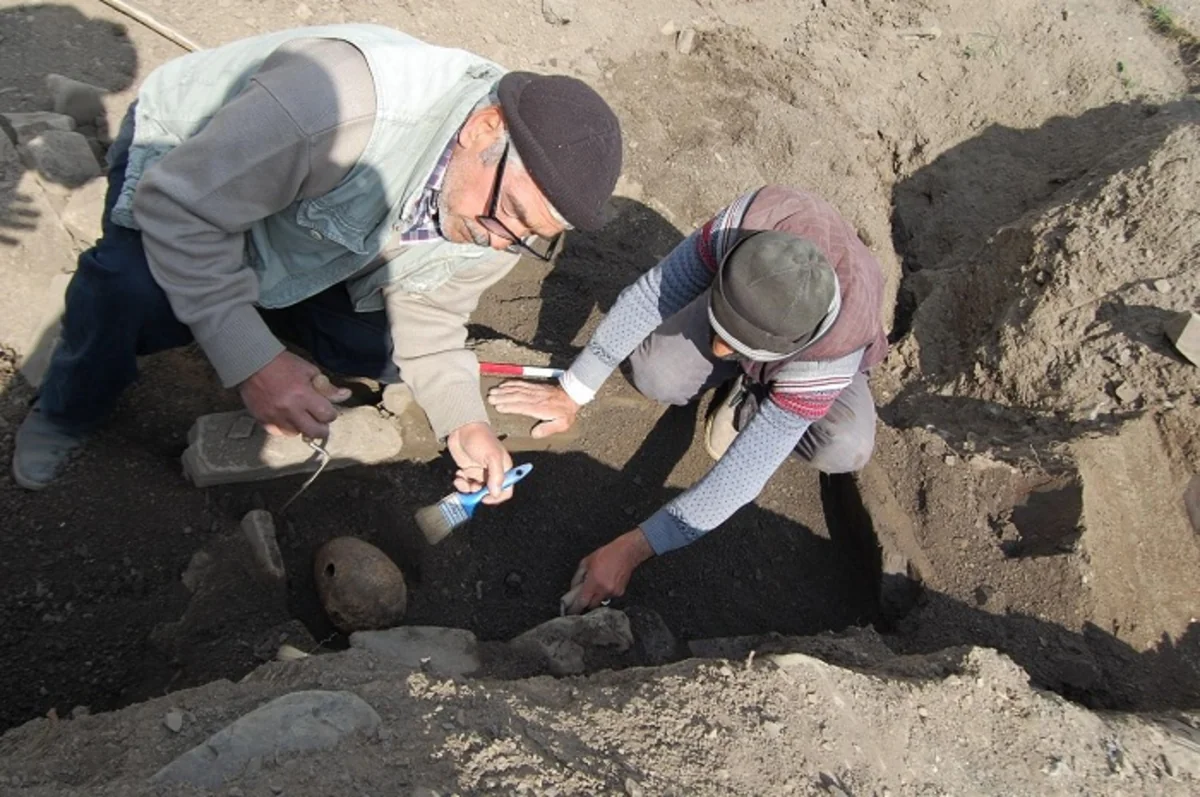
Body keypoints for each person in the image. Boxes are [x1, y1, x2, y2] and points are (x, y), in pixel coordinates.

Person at [12, 24, 622, 502]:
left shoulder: (500, 218)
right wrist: (255, 363)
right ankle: (69, 403)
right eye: (508, 215)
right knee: (128, 291)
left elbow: (431, 318)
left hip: (318, 230)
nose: (501, 242)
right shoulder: (339, 105)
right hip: (190, 167)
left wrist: (464, 423)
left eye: (529, 236)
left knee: (381, 355)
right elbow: (178, 212)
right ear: (484, 128)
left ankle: (261, 319)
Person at [488, 185, 888, 613]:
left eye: (736, 348)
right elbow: (647, 296)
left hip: (811, 355)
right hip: (752, 293)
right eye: (722, 332)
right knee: (655, 372)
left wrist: (635, 546)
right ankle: (733, 347)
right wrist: (573, 390)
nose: (719, 348)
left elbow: (743, 475)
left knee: (846, 446)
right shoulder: (745, 225)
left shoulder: (831, 353)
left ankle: (750, 398)